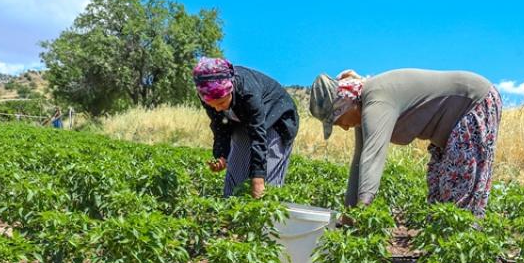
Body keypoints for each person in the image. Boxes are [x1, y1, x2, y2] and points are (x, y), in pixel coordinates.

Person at [307, 68, 502, 215]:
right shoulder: (360, 105)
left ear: (344, 105)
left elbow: (373, 157)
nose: (345, 127)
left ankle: (462, 260)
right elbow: (358, 163)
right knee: (439, 190)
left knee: (460, 187)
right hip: (451, 123)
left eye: (339, 121)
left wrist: (363, 211)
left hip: (474, 102)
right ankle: (437, 260)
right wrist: (349, 214)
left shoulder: (376, 100)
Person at [193, 57, 299, 198]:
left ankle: (266, 215)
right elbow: (220, 125)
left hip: (277, 119)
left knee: (267, 183)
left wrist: (258, 178)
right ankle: (229, 215)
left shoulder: (248, 91)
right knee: (235, 174)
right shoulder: (206, 93)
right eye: (213, 104)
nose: (218, 108)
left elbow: (258, 135)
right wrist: (221, 155)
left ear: (230, 89)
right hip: (243, 119)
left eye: (222, 102)